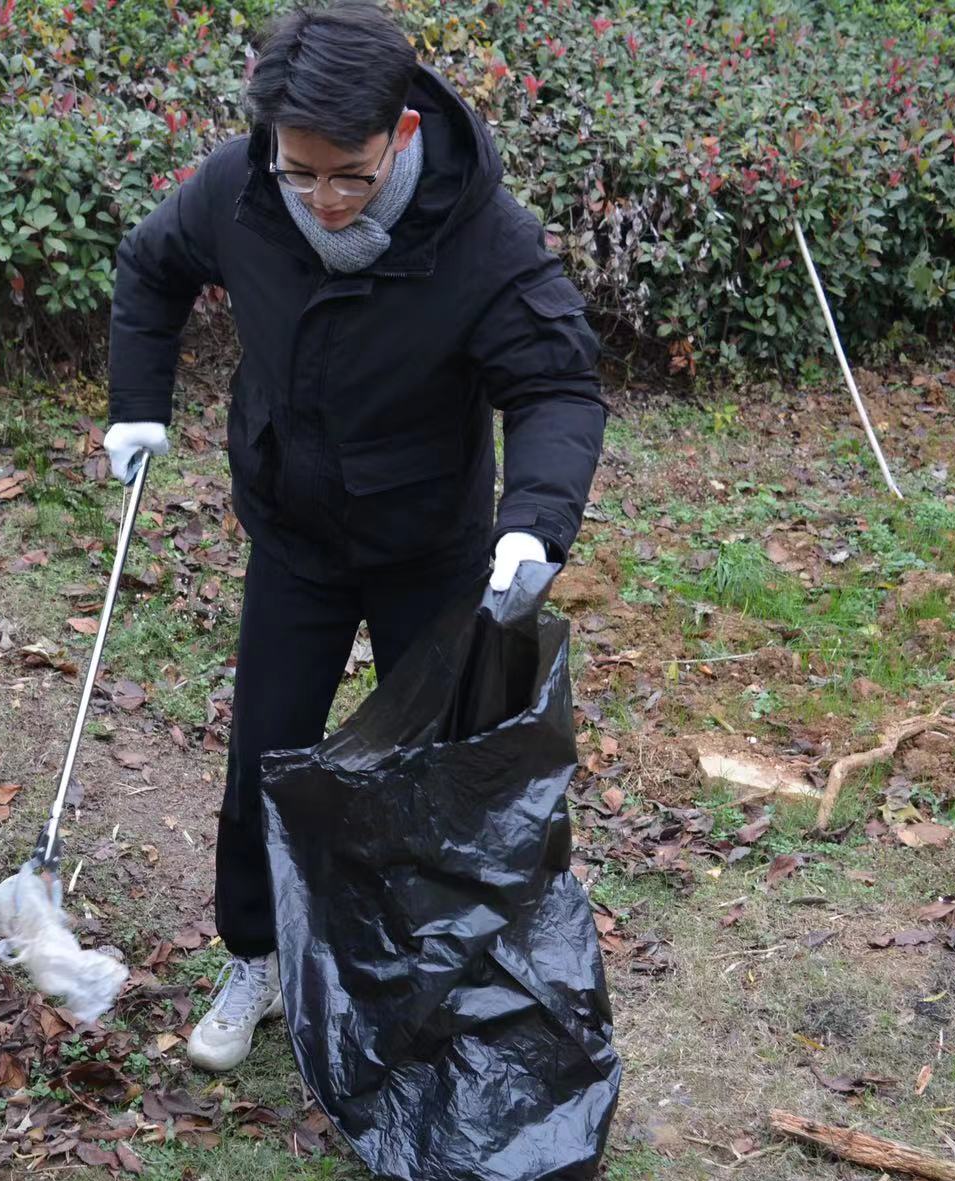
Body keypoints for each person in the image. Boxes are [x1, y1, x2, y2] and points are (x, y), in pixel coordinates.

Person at [104, 1, 607, 1071]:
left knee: (430, 773)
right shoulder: (239, 193)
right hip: (295, 531)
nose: (325, 203)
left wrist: (535, 526)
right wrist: (136, 402)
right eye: (303, 173)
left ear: (403, 137)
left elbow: (557, 385)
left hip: (432, 543)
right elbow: (150, 269)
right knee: (266, 752)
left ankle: (426, 976)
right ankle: (256, 958)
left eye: (353, 176)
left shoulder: (485, 239)